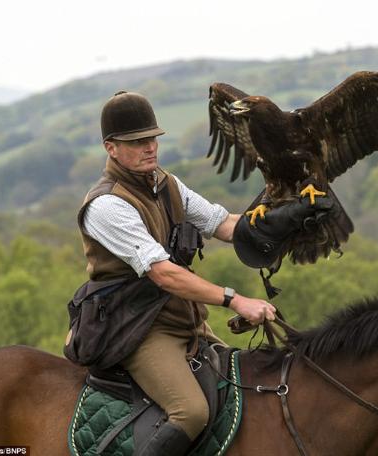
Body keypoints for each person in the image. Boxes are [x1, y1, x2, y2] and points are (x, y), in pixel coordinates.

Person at [76, 91, 334, 455]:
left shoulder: (166, 184)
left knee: (238, 390)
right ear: (111, 148)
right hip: (134, 329)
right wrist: (235, 300)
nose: (150, 147)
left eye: (152, 138)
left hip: (183, 319)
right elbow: (164, 274)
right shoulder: (106, 205)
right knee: (191, 412)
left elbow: (225, 225)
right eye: (137, 142)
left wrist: (290, 216)